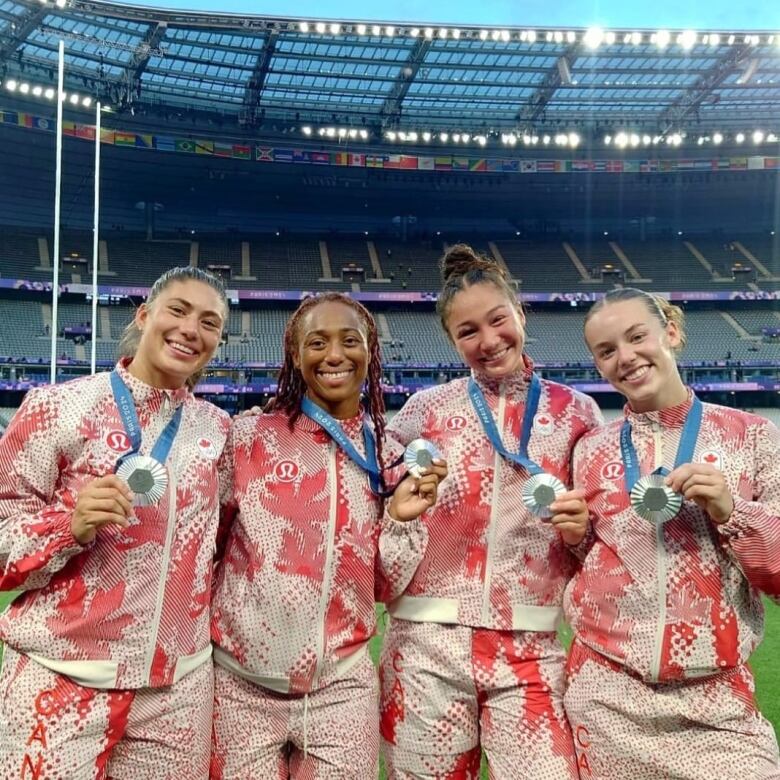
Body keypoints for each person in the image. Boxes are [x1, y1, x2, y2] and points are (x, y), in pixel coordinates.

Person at [379, 245, 603, 779]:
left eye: (498, 320)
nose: (488, 340)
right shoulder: (424, 410)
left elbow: (598, 539)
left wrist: (578, 534)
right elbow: (376, 496)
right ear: (452, 341)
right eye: (468, 331)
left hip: (531, 649)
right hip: (423, 646)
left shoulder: (578, 413)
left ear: (520, 314)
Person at [0, 266, 230, 778]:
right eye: (178, 310)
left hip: (177, 693)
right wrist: (68, 525)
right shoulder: (56, 408)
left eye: (210, 322)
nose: (192, 329)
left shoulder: (217, 429)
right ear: (144, 315)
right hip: (61, 678)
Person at [210, 292, 447, 779]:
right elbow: (204, 548)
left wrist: (400, 521)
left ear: (370, 351)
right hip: (239, 687)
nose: (334, 355)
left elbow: (383, 587)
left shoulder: (390, 455)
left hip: (343, 688)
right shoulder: (248, 437)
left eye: (349, 341)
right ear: (296, 356)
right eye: (317, 342)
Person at [564, 287, 780, 779]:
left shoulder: (751, 436)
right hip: (606, 703)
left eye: (637, 336)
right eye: (607, 350)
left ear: (672, 332)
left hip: (718, 707)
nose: (626, 357)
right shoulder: (590, 449)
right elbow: (591, 563)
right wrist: (574, 537)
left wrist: (732, 511)